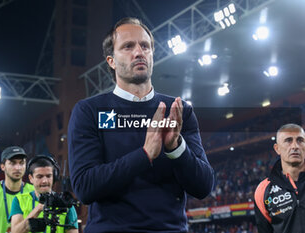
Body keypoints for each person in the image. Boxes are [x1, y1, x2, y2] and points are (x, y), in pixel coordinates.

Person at [68, 17, 214, 232]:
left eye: (145, 46)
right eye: (128, 46)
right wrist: (144, 155)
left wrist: (176, 149)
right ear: (111, 61)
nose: (139, 52)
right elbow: (85, 188)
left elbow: (203, 187)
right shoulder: (89, 111)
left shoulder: (178, 110)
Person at [254, 123, 305, 233]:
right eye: (288, 140)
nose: (295, 146)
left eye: (300, 140)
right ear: (277, 149)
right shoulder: (263, 191)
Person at [9, 155, 78, 233]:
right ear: (31, 178)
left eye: (48, 176)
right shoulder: (19, 200)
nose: (45, 181)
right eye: (39, 177)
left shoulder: (65, 203)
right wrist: (38, 209)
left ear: (54, 177)